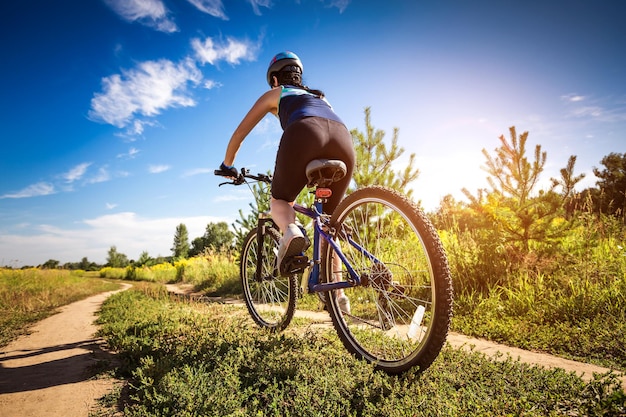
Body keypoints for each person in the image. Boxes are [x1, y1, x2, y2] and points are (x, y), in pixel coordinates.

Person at [218, 51, 356, 286]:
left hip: (305, 131)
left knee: (280, 202)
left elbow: (240, 134)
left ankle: (291, 231)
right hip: (343, 139)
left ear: (274, 79)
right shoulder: (320, 97)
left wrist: (227, 165)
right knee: (329, 224)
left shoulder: (276, 93)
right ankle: (338, 297)